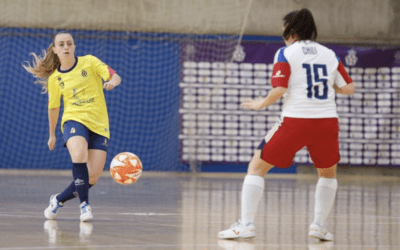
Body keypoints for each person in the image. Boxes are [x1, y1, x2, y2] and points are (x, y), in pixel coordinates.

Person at [218, 9, 354, 241]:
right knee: (328, 173)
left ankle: (246, 224)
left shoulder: (285, 52)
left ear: (291, 32)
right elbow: (348, 88)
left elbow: (280, 89)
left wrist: (261, 104)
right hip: (327, 122)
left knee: (256, 166)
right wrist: (328, 86)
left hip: (296, 121)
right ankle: (319, 226)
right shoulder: (330, 54)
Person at [23, 31, 121, 222]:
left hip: (99, 124)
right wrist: (52, 134)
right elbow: (53, 108)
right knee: (79, 155)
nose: (66, 47)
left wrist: (112, 83)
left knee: (91, 177)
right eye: (61, 44)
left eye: (69, 43)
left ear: (74, 47)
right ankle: (85, 206)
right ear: (55, 50)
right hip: (73, 120)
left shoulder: (90, 62)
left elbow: (115, 75)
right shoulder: (54, 79)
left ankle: (58, 200)